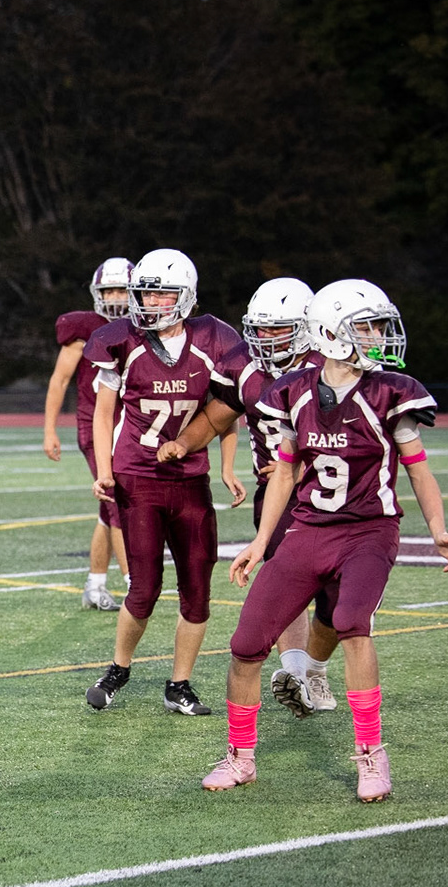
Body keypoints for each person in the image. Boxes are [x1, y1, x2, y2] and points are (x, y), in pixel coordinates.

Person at [205, 280, 448, 801]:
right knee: (245, 644)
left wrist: (438, 530)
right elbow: (283, 473)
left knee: (351, 622)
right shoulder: (292, 391)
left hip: (370, 530)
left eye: (377, 325)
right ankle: (240, 756)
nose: (377, 336)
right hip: (308, 529)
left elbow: (418, 470)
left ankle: (371, 755)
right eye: (365, 326)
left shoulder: (391, 391)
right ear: (331, 333)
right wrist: (261, 544)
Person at [80, 249, 245, 715]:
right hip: (139, 475)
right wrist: (106, 470)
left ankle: (180, 684)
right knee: (144, 587)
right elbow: (104, 411)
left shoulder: (212, 340)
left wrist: (229, 467)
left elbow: (228, 410)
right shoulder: (121, 341)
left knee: (197, 589)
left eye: (162, 293)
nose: (151, 302)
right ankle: (119, 668)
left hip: (190, 479)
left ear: (186, 297)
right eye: (145, 292)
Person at [161, 278, 337, 715]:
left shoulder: (331, 363)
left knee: (335, 601)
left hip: (333, 493)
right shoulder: (243, 364)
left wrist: (303, 461)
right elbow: (220, 412)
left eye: (278, 329)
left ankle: (314, 668)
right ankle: (296, 673)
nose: (265, 338)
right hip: (275, 492)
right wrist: (185, 443)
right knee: (286, 580)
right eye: (259, 328)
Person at [43, 258, 132, 610]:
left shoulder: (145, 326)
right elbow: (59, 380)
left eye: (121, 290)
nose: (113, 297)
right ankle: (133, 583)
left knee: (106, 511)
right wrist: (50, 429)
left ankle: (95, 585)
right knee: (117, 504)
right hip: (94, 425)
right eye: (108, 290)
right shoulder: (84, 328)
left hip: (129, 426)